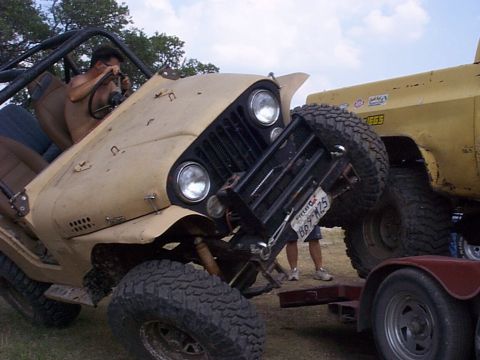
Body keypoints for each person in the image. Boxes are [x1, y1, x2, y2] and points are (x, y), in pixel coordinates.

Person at [64, 45, 131, 143]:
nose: (114, 74)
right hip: (85, 142)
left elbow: (118, 101)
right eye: (112, 69)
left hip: (109, 132)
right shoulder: (79, 81)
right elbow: (74, 96)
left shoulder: (109, 84)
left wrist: (125, 89)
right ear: (99, 64)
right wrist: (103, 75)